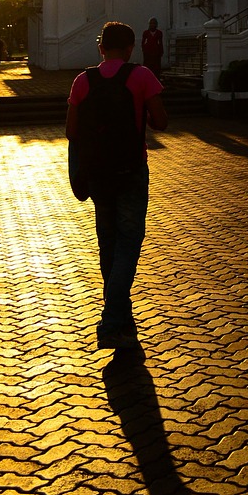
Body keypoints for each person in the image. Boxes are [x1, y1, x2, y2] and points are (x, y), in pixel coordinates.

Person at [66, 20, 168, 351]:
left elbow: (71, 131)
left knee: (109, 245)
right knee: (128, 244)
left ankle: (122, 318)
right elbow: (161, 121)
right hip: (131, 172)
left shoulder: (83, 80)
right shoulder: (141, 76)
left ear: (100, 48)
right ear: (130, 48)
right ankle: (111, 321)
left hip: (98, 174)